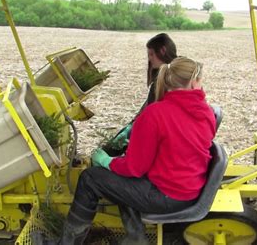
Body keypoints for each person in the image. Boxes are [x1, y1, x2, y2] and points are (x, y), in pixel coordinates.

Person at [60, 57, 216, 245]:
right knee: (123, 181)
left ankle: (68, 241)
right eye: (201, 79)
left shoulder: (155, 114)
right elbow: (181, 142)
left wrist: (107, 161)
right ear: (193, 82)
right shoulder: (206, 111)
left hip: (167, 195)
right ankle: (136, 237)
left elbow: (135, 169)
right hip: (190, 187)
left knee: (90, 179)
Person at [107, 33, 178, 152]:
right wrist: (133, 123)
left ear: (163, 50)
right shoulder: (167, 75)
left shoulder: (170, 81)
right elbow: (148, 106)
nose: (149, 58)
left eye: (151, 54)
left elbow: (154, 116)